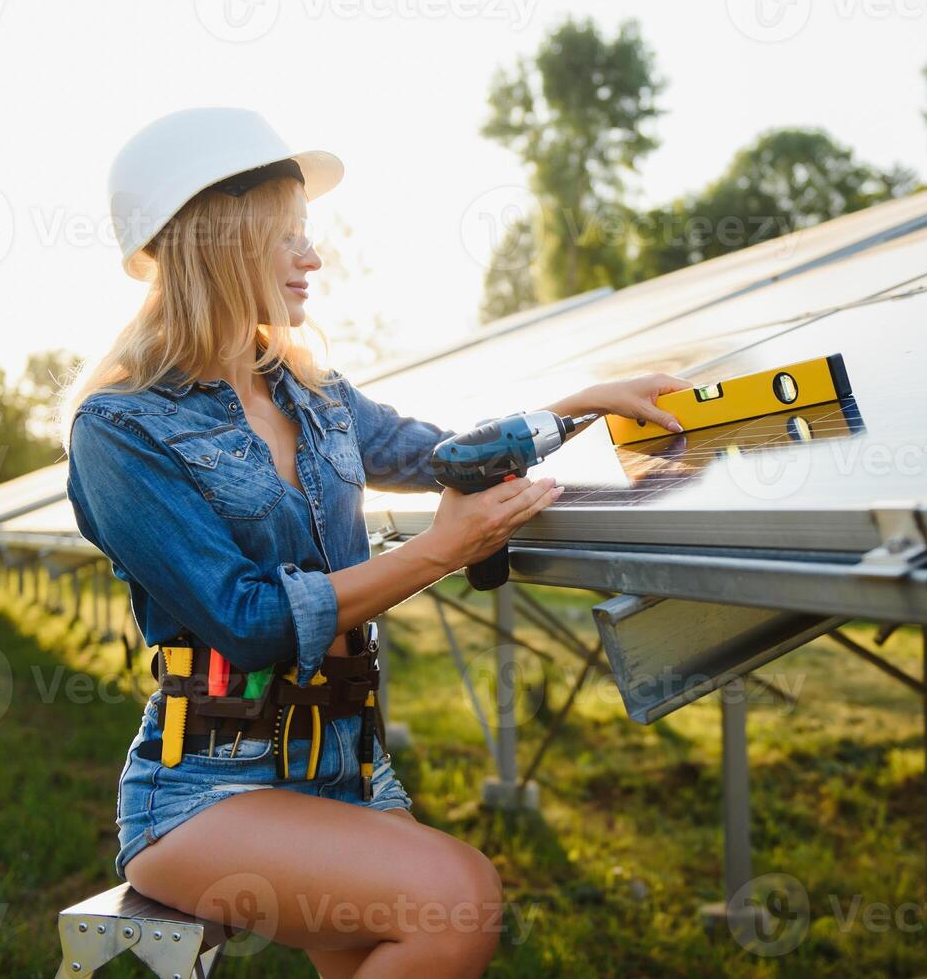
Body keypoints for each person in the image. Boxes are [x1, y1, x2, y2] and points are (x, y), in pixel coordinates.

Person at [56, 107, 691, 977]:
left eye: (305, 236)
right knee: (457, 898)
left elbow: (441, 458)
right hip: (205, 791)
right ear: (216, 242)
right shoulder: (120, 430)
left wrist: (581, 406)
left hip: (346, 761)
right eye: (285, 238)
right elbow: (247, 623)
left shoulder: (313, 394)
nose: (312, 258)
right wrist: (440, 551)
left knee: (411, 935)